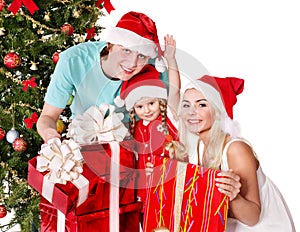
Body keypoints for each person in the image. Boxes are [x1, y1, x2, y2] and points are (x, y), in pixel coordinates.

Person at [177, 75, 295, 231]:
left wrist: (233, 196)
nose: (192, 112)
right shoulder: (201, 145)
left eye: (202, 105)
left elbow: (252, 217)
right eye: (187, 105)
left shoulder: (236, 149)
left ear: (218, 110)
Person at [36, 11, 168, 143]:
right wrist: (50, 135)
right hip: (84, 142)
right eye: (126, 50)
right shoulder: (73, 61)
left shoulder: (155, 68)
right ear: (110, 45)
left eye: (141, 56)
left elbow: (171, 113)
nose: (132, 64)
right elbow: (48, 116)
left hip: (133, 146)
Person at [117, 34, 181, 216]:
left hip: (171, 185)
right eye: (139, 106)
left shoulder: (168, 116)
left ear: (159, 100)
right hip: (145, 193)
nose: (146, 110)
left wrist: (171, 59)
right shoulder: (133, 128)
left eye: (151, 103)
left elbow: (175, 90)